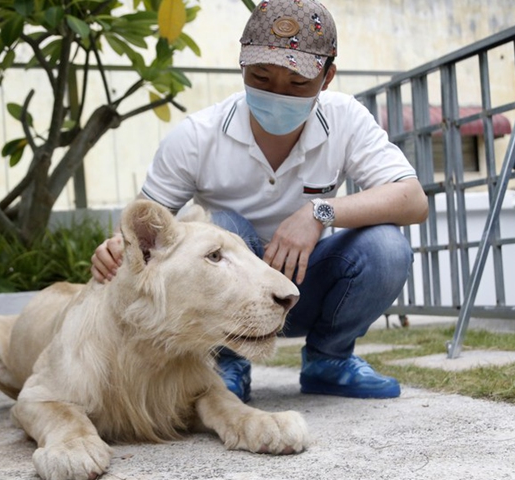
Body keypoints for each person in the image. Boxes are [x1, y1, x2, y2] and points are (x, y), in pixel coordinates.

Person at [91, 0, 428, 402]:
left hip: (301, 286)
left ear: (327, 76)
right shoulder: (197, 136)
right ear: (242, 67)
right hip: (225, 295)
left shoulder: (346, 118)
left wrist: (320, 212)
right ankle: (225, 363)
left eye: (298, 83)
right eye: (262, 77)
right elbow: (139, 231)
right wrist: (114, 251)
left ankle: (330, 360)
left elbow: (412, 199)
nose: (278, 93)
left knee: (388, 247)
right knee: (223, 226)